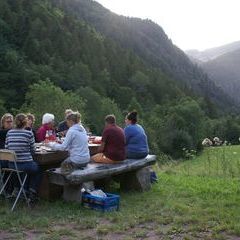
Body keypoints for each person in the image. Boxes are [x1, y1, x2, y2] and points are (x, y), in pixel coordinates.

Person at [5, 113, 42, 203]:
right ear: (25, 123)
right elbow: (33, 150)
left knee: (26, 169)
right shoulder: (28, 133)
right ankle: (32, 192)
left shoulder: (9, 133)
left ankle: (22, 190)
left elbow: (6, 148)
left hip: (11, 165)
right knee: (38, 168)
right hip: (25, 164)